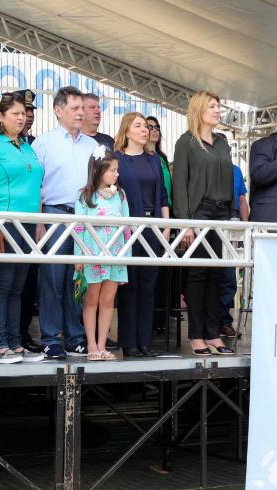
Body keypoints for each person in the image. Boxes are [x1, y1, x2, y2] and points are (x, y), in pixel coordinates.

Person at [0, 91, 45, 364]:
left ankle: (15, 342)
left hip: (28, 224)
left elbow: (37, 188)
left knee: (18, 286)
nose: (21, 117)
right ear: (0, 116)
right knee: (2, 284)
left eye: (24, 113)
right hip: (3, 220)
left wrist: (38, 223)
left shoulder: (27, 146)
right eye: (15, 113)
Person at [32, 86, 95, 359]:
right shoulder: (43, 143)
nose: (81, 113)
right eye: (75, 108)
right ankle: (50, 337)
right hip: (54, 215)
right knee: (52, 280)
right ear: (59, 111)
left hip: (85, 218)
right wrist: (39, 221)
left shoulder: (93, 146)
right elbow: (35, 185)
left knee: (78, 280)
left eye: (83, 108)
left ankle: (75, 336)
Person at [172, 90, 235, 356]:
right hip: (199, 212)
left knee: (216, 274)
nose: (218, 110)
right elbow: (180, 185)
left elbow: (230, 181)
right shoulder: (186, 142)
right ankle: (196, 334)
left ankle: (212, 332)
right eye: (212, 106)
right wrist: (185, 223)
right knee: (198, 274)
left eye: (218, 106)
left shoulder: (222, 142)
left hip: (221, 212)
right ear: (199, 110)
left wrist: (232, 213)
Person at [114, 112, 169, 358]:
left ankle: (145, 341)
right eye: (138, 126)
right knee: (129, 285)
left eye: (146, 126)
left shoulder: (153, 159)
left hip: (152, 226)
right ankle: (129, 341)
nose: (145, 130)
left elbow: (163, 196)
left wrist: (166, 225)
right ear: (126, 131)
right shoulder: (117, 159)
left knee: (148, 287)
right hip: (127, 228)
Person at [74, 148, 129, 361]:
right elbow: (78, 228)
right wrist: (79, 257)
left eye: (117, 170)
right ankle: (91, 345)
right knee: (91, 300)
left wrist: (126, 255)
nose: (116, 174)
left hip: (115, 254)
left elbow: (127, 228)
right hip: (92, 254)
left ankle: (103, 345)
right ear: (98, 171)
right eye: (112, 170)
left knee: (108, 301)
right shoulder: (85, 195)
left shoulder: (121, 196)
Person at [15, 89, 41, 352]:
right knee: (4, 284)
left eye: (30, 112)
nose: (27, 116)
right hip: (7, 220)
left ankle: (22, 334)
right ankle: (2, 338)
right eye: (22, 112)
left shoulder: (32, 144)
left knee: (27, 282)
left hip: (32, 220)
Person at [218, 164, 249, 339]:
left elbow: (242, 198)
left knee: (229, 276)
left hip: (233, 221)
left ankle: (224, 322)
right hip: (212, 218)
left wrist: (246, 227)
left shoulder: (235, 170)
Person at [145, 116, 172, 203]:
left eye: (157, 127)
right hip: (154, 208)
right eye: (150, 127)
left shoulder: (163, 157)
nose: (155, 130)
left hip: (168, 206)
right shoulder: (142, 157)